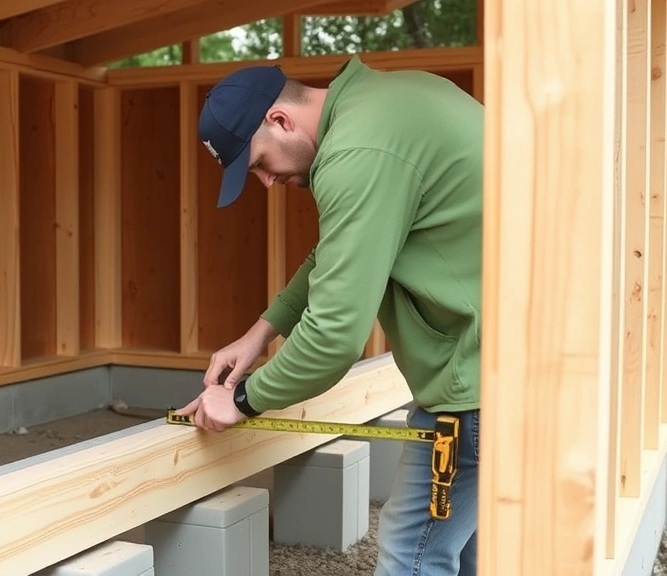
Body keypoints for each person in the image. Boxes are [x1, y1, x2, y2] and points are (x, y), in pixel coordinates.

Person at [174, 54, 483, 576]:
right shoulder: (384, 107)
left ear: (280, 120)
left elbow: (334, 339)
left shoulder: (357, 152)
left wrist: (242, 401)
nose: (267, 184)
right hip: (506, 368)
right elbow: (338, 254)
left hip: (477, 387)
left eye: (259, 165)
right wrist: (260, 333)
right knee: (468, 547)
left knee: (413, 553)